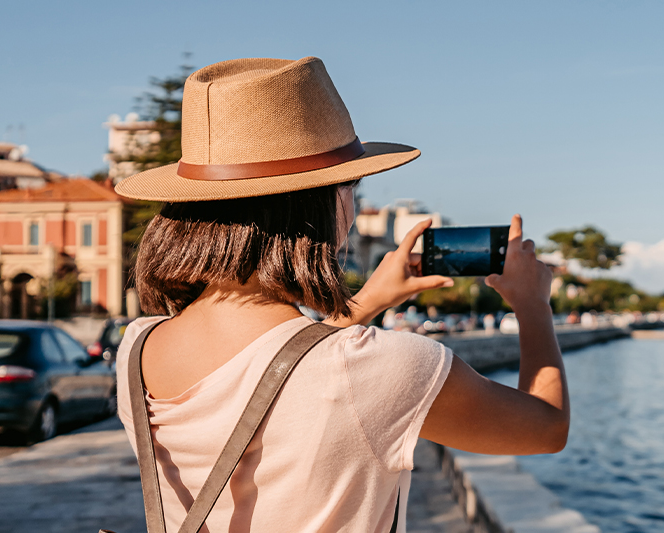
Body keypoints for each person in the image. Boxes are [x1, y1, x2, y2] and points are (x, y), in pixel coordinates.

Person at [112, 57, 568, 532]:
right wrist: (533, 306)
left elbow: (281, 372)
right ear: (323, 201)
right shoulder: (385, 364)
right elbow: (546, 427)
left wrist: (366, 303)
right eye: (353, 184)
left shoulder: (137, 347)